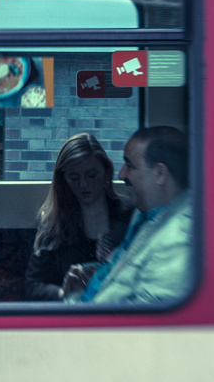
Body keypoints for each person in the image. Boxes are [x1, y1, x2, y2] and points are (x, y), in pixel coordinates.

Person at [63, 126, 192, 305]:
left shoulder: (178, 238)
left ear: (160, 174)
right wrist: (96, 276)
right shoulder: (144, 214)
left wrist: (73, 302)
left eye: (130, 166)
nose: (122, 174)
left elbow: (144, 317)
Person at [26, 134, 133, 300]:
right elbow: (33, 287)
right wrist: (65, 293)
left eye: (91, 175)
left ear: (106, 172)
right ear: (64, 180)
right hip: (71, 314)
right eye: (74, 177)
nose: (83, 184)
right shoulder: (53, 222)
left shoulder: (130, 213)